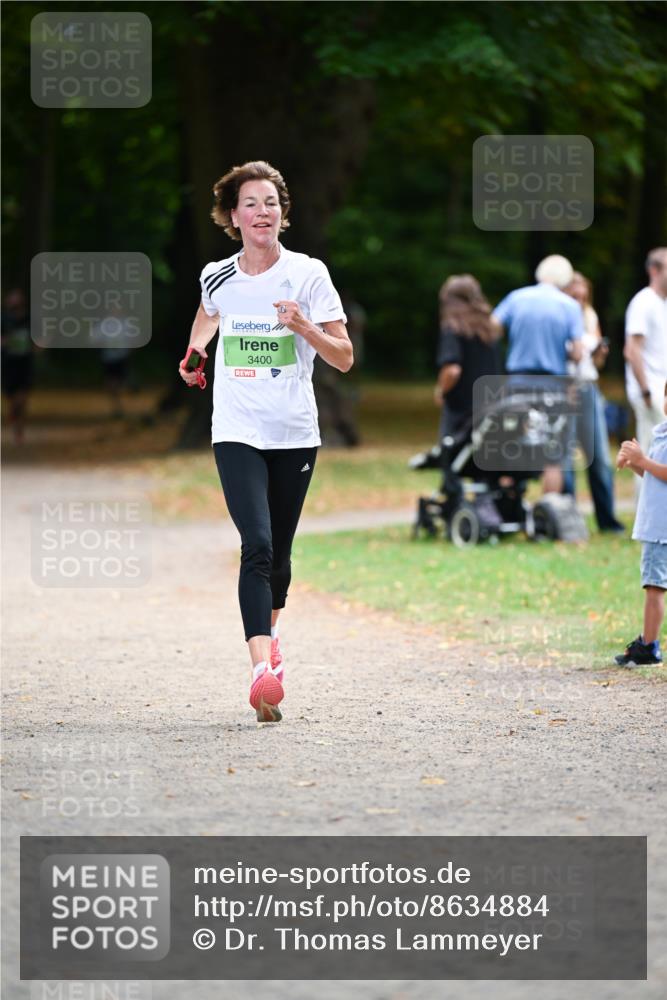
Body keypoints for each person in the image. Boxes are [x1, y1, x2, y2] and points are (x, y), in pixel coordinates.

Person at [178, 161, 353, 722]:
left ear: (283, 213)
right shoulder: (217, 276)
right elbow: (207, 317)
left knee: (279, 551)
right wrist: (198, 352)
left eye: (272, 202)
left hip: (294, 433)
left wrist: (304, 328)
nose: (263, 212)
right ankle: (260, 670)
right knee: (255, 542)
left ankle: (272, 638)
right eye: (251, 203)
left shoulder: (308, 274)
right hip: (235, 429)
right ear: (233, 216)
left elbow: (344, 357)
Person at [492, 254, 584, 494]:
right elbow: (577, 353)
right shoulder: (570, 306)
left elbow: (492, 329)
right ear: (565, 281)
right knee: (553, 455)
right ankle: (547, 513)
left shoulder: (517, 298)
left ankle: (506, 509)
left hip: (518, 382)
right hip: (553, 386)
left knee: (509, 445)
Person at [563, 272, 624, 532]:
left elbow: (595, 364)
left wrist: (600, 353)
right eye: (574, 296)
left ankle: (607, 520)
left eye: (583, 297)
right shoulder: (558, 316)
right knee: (564, 458)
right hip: (564, 387)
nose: (579, 301)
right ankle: (567, 519)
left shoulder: (589, 316)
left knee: (599, 456)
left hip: (588, 387)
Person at [615, 381, 667, 667]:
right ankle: (648, 642)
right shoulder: (661, 433)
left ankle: (648, 645)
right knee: (654, 586)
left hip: (662, 530)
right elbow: (655, 476)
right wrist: (635, 463)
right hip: (656, 525)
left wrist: (643, 460)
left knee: (654, 587)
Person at [624, 248, 667, 491]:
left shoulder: (663, 303)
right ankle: (647, 515)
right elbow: (632, 350)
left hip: (661, 389)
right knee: (652, 452)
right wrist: (646, 392)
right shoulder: (644, 302)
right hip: (650, 390)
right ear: (654, 270)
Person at [1, 288, 34, 444]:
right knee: (12, 399)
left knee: (22, 399)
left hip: (25, 363)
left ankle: (19, 430)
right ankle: (15, 420)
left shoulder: (30, 320)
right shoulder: (3, 319)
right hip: (8, 363)